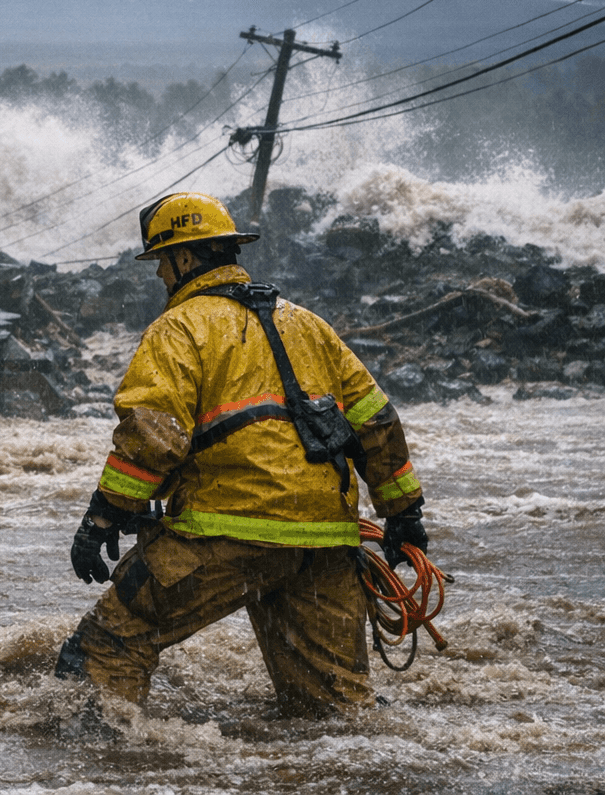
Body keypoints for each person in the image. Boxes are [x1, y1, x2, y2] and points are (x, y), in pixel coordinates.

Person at [56, 192, 428, 719]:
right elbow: (376, 422)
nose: (161, 273)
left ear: (186, 257)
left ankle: (101, 770)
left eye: (162, 260)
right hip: (324, 542)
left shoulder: (179, 328)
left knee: (106, 648)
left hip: (225, 536)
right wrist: (403, 515)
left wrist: (100, 520)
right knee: (333, 710)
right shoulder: (309, 325)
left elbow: (151, 438)